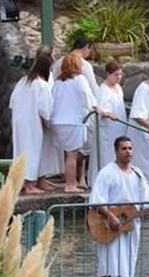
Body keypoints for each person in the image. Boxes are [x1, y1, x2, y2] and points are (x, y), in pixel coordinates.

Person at [89, 136, 149, 277]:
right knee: (105, 269)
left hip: (130, 229)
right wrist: (110, 216)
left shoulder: (138, 174)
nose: (128, 152)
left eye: (130, 148)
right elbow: (97, 200)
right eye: (124, 148)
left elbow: (148, 202)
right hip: (108, 228)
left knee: (127, 271)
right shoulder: (107, 173)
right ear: (116, 151)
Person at [10, 46, 55, 195]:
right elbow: (45, 110)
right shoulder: (41, 85)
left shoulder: (23, 81)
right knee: (31, 151)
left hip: (20, 120)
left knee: (21, 151)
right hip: (32, 122)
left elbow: (12, 102)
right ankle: (29, 184)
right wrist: (49, 122)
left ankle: (23, 182)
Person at [50, 53, 97, 193]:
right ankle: (70, 184)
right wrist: (96, 108)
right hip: (72, 122)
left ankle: (70, 180)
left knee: (66, 153)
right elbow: (88, 98)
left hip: (57, 122)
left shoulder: (58, 82)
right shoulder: (80, 80)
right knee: (72, 155)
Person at [90, 61, 127, 186]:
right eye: (116, 75)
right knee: (106, 154)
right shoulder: (103, 90)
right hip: (107, 128)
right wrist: (107, 113)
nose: (119, 77)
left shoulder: (118, 88)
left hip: (118, 126)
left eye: (120, 75)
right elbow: (99, 108)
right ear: (108, 74)